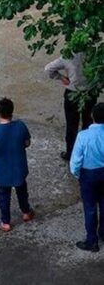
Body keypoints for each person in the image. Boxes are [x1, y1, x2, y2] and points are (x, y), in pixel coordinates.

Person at [0, 98, 34, 232]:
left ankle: (5, 222)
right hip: (19, 167)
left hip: (1, 171)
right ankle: (26, 212)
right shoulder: (21, 126)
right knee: (22, 190)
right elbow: (27, 143)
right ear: (12, 111)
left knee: (3, 195)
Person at [45, 53, 97, 161]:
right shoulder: (93, 54)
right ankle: (86, 152)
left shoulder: (68, 56)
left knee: (71, 125)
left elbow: (48, 69)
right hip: (90, 93)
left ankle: (70, 153)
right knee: (88, 122)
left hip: (72, 93)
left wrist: (61, 77)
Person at [70, 102, 104, 252]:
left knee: (90, 208)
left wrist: (77, 174)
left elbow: (76, 160)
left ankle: (92, 241)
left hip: (88, 175)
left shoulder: (83, 136)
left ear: (92, 117)